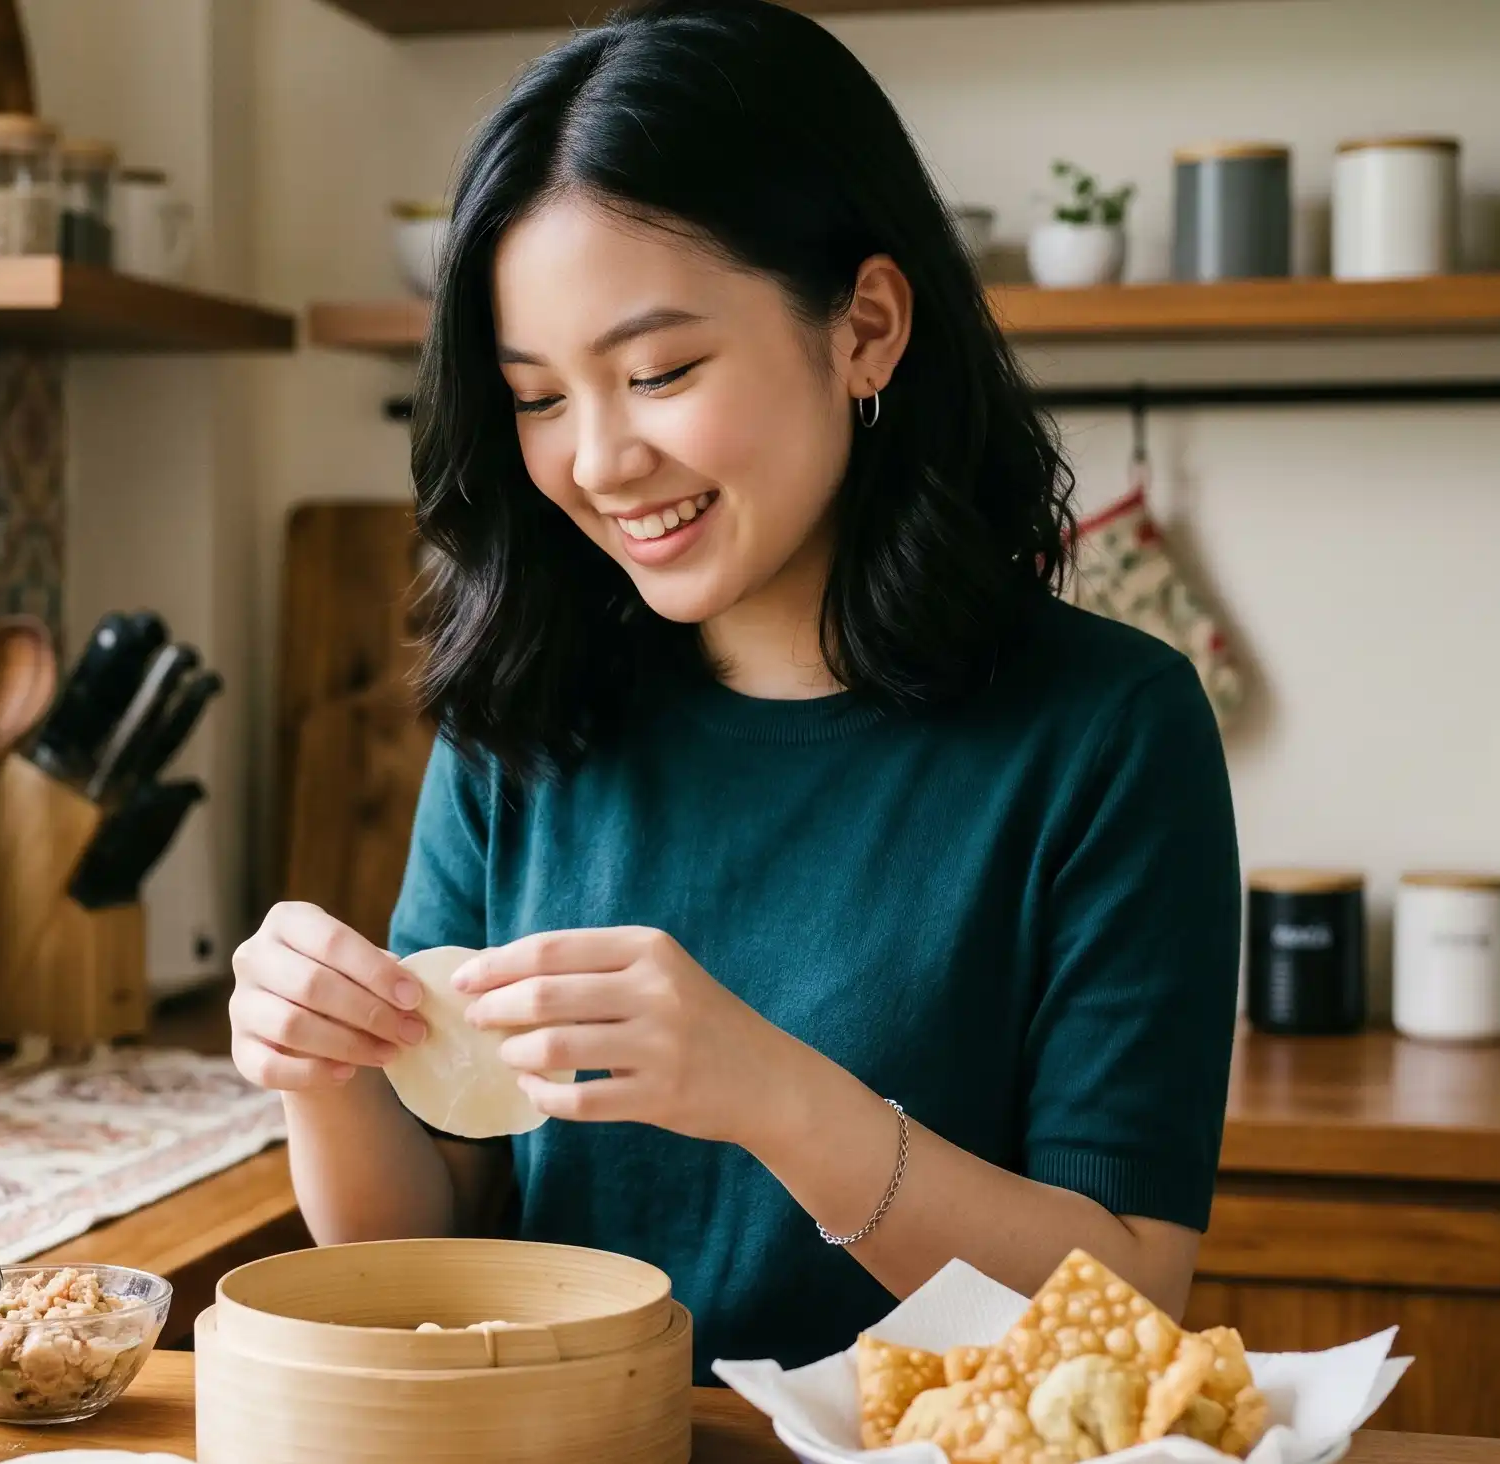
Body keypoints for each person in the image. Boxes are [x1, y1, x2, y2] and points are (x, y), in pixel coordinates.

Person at [230, 0, 1239, 1380]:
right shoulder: (525, 711)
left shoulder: (1107, 732)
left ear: (865, 328)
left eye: (659, 372)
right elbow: (430, 1235)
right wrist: (326, 1071)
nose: (596, 460)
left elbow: (1127, 1307)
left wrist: (771, 1095)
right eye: (535, 397)